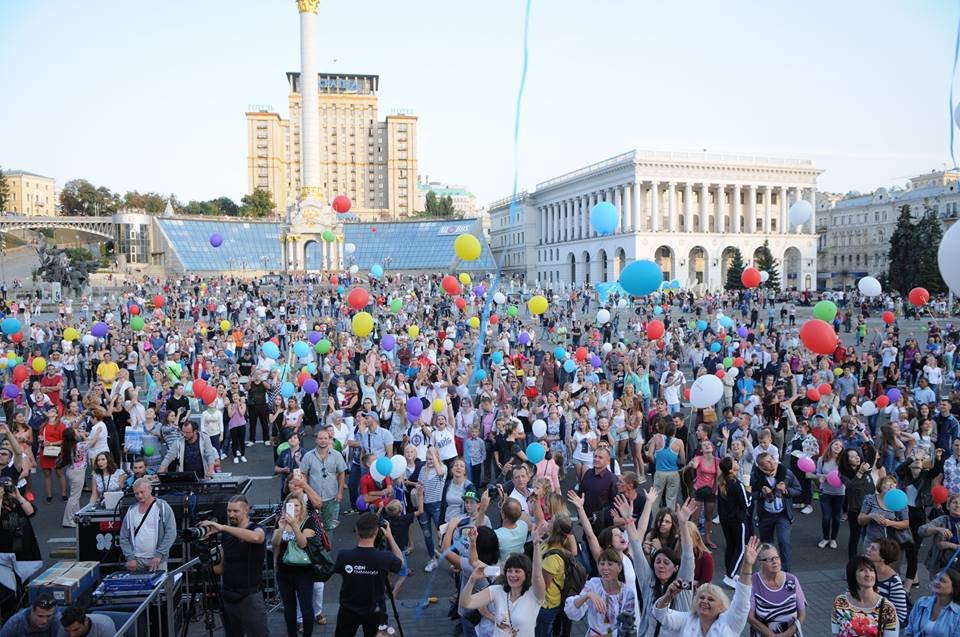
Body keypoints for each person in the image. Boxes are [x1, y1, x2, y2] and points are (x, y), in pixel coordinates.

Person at [651, 536, 760, 636]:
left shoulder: (730, 622)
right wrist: (668, 597)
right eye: (701, 597)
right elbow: (660, 614)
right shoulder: (688, 619)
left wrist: (747, 565)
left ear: (722, 606)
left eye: (711, 599)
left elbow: (742, 601)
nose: (704, 601)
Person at [200, 495, 270, 637]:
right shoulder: (227, 534)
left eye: (235, 511)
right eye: (229, 511)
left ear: (246, 510)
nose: (231, 514)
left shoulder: (256, 529)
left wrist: (222, 527)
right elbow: (221, 568)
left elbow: (257, 537)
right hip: (228, 596)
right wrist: (205, 559)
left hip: (250, 597)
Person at [460, 525, 547, 637]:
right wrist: (473, 543)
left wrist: (536, 545)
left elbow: (538, 576)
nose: (512, 575)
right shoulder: (497, 587)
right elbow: (465, 603)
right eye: (509, 570)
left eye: (517, 571)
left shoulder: (534, 595)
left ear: (527, 573)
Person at [333, 511, 404, 637]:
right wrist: (390, 537)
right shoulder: (384, 558)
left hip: (348, 610)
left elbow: (338, 570)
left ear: (357, 530)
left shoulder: (344, 556)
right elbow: (401, 564)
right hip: (375, 610)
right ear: (377, 532)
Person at [272, 494, 318, 637]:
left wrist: (293, 525)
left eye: (297, 505)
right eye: (290, 506)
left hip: (304, 571)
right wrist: (280, 528)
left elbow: (303, 543)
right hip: (284, 570)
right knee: (289, 608)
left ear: (302, 507)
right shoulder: (281, 521)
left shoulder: (309, 521)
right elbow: (275, 544)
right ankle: (292, 634)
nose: (294, 509)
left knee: (306, 608)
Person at [563, 547, 637, 635]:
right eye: (602, 564)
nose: (605, 568)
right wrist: (587, 596)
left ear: (619, 568)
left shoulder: (627, 593)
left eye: (610, 564)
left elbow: (627, 624)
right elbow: (572, 612)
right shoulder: (592, 584)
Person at [750, 452, 800, 573]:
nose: (772, 462)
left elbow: (798, 489)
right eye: (767, 462)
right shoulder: (755, 476)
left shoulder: (786, 473)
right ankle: (768, 571)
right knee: (767, 545)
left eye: (772, 459)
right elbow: (749, 494)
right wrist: (761, 494)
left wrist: (786, 491)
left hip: (783, 515)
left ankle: (786, 573)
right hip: (765, 515)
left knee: (784, 541)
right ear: (761, 467)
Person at [118, 477, 176, 573]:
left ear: (150, 489)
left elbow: (171, 533)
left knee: (160, 587)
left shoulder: (162, 507)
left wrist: (159, 555)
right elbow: (124, 536)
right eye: (136, 493)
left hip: (157, 560)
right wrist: (130, 557)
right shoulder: (131, 511)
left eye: (142, 492)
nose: (139, 496)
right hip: (137, 560)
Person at [830, 556, 899, 637]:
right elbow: (835, 633)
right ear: (852, 574)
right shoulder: (840, 602)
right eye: (862, 570)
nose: (868, 574)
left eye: (871, 570)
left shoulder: (887, 608)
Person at [747, 543, 806, 637]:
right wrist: (771, 635)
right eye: (770, 559)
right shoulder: (752, 582)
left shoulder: (792, 580)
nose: (775, 562)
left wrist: (786, 634)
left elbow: (802, 615)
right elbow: (750, 617)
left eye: (776, 557)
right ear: (760, 562)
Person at [299, 428, 347, 530]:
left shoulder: (337, 455)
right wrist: (306, 492)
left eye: (325, 438)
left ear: (329, 440)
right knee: (311, 526)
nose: (323, 440)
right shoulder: (308, 456)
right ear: (316, 440)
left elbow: (342, 473)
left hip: (331, 497)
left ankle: (327, 544)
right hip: (313, 497)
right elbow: (303, 474)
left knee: (328, 526)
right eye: (320, 438)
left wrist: (340, 493)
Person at [904, 567, 960, 636]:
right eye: (936, 578)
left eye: (942, 580)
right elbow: (909, 629)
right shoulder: (922, 602)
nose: (936, 581)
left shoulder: (957, 615)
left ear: (953, 588)